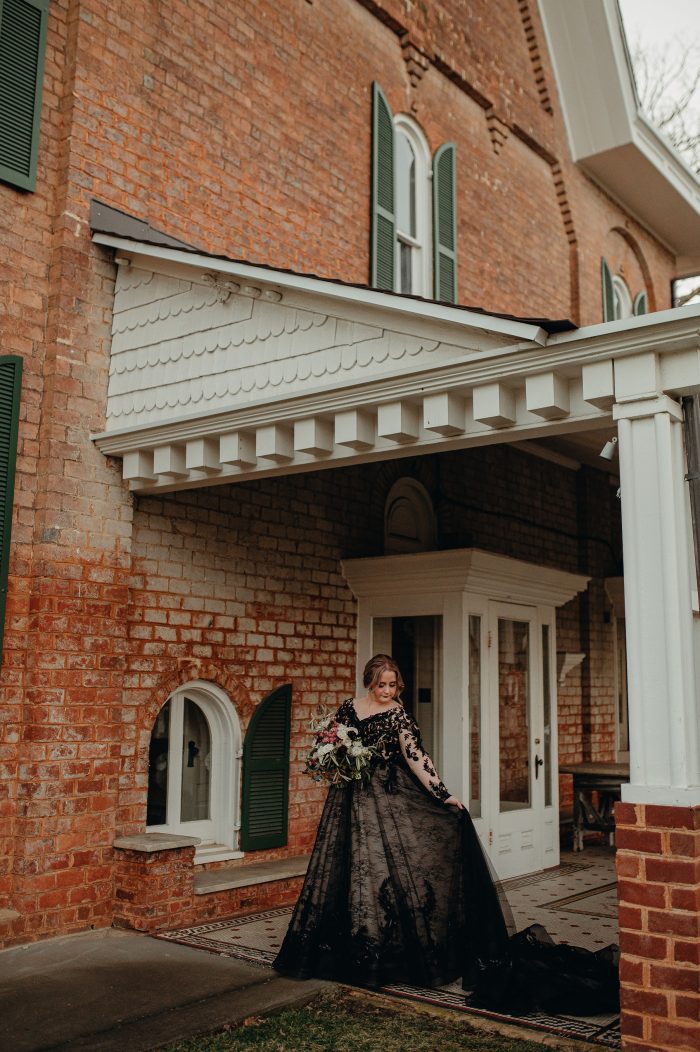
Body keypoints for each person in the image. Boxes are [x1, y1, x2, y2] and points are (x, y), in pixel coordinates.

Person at [273, 654, 619, 1015]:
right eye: (382, 685)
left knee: (382, 872)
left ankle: (388, 951)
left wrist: (443, 794)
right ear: (368, 683)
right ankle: (351, 947)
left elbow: (416, 757)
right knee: (348, 871)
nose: (388, 691)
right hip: (347, 803)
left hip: (388, 804)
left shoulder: (398, 715)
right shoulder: (349, 709)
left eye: (393, 685)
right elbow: (328, 745)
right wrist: (333, 755)